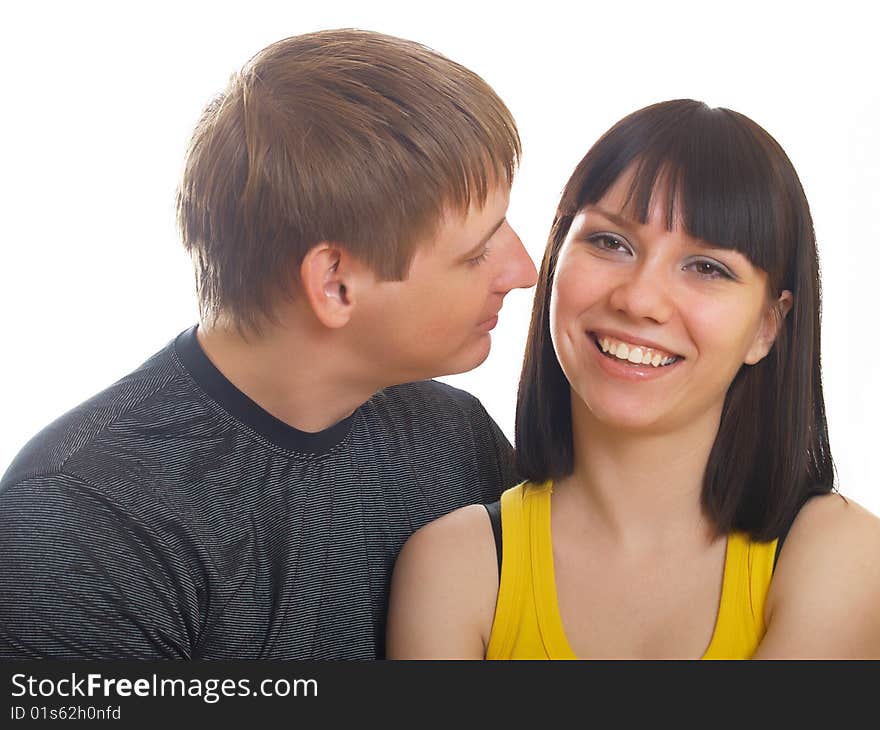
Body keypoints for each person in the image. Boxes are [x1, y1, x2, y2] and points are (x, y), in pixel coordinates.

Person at [0, 29, 537, 659]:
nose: (524, 270)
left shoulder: (458, 437)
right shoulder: (81, 519)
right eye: (477, 253)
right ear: (335, 285)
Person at [386, 99, 880, 659]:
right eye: (610, 243)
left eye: (707, 267)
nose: (641, 300)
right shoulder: (453, 566)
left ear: (767, 326)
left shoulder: (842, 554)